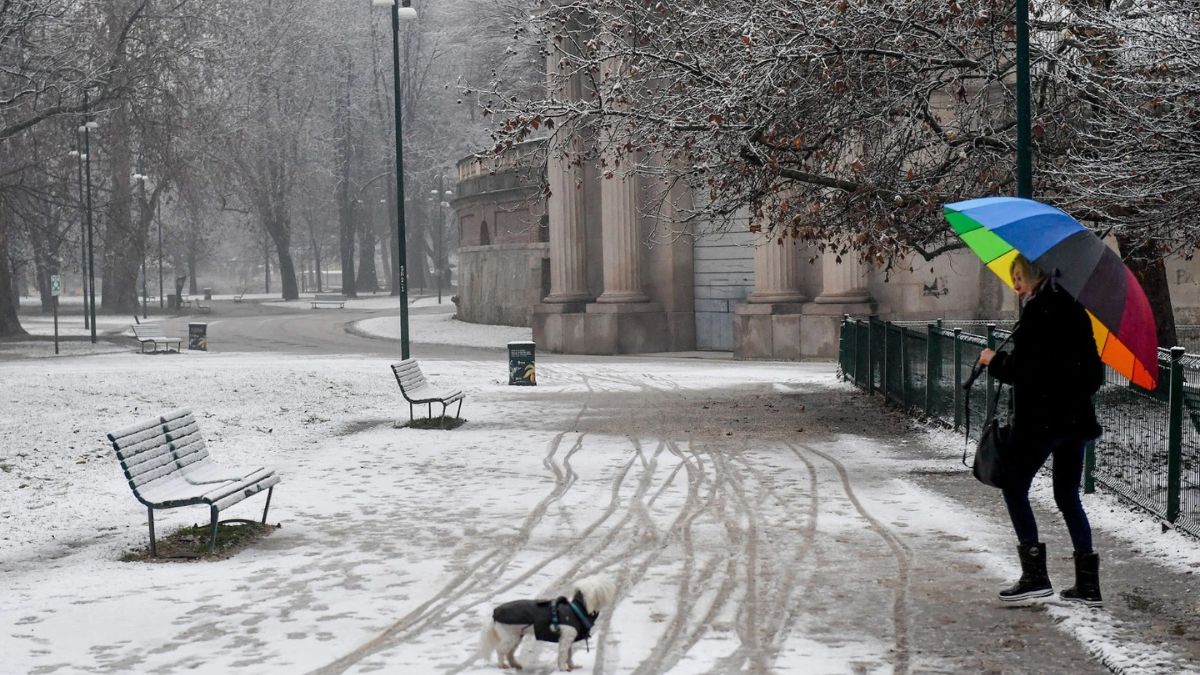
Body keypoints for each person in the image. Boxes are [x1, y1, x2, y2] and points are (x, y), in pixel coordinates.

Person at [978, 254, 1105, 605]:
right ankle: (1088, 586)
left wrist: (994, 361)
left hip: (1041, 423)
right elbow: (1095, 374)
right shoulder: (1076, 311)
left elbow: (1027, 371)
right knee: (1067, 497)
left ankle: (1035, 576)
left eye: (1019, 277)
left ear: (1035, 274)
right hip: (1075, 423)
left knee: (1014, 487)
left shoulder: (1038, 313)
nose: (1015, 285)